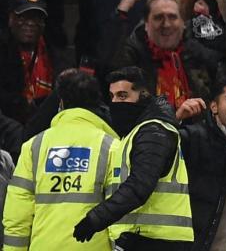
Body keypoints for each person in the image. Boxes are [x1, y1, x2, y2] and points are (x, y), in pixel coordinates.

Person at [73, 67, 193, 250]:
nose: (115, 103)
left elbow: (139, 185)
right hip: (144, 237)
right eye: (112, 96)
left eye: (122, 96)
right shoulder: (134, 133)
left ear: (143, 96)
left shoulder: (154, 131)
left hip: (156, 240)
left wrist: (95, 219)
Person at [3, 69, 118, 251]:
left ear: (61, 103)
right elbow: (119, 213)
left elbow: (17, 214)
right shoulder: (112, 146)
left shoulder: (34, 146)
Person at [103, 0, 219, 109]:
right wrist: (122, 11)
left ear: (183, 23)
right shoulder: (131, 56)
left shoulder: (199, 56)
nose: (166, 24)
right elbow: (107, 58)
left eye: (172, 17)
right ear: (146, 24)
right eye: (159, 18)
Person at [176, 76, 226, 251]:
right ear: (214, 106)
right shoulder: (193, 137)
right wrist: (175, 120)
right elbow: (156, 149)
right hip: (197, 244)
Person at [0, 0, 72, 124]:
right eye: (23, 17)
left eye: (36, 18)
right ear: (11, 19)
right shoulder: (3, 52)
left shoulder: (55, 55)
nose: (30, 23)